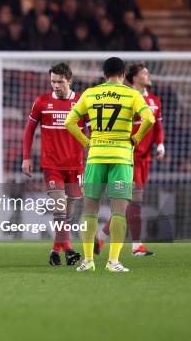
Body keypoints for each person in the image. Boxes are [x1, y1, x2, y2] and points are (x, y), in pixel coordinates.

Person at [64, 57, 155, 273]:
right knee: (119, 212)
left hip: (96, 156)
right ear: (124, 75)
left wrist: (87, 142)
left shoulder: (90, 93)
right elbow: (149, 119)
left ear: (104, 75)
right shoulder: (132, 94)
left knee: (89, 211)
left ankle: (87, 261)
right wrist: (137, 138)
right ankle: (113, 261)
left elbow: (69, 122)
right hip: (121, 157)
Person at [97, 63, 165, 256]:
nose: (148, 75)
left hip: (145, 159)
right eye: (144, 73)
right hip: (129, 156)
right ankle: (135, 246)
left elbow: (158, 127)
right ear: (134, 78)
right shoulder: (125, 98)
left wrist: (160, 144)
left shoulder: (154, 101)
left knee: (129, 203)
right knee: (133, 202)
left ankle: (101, 239)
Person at [22, 63, 83, 266]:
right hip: (52, 165)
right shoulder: (42, 102)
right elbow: (29, 130)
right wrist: (26, 157)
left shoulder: (82, 102)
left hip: (76, 165)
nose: (55, 85)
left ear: (70, 81)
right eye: (53, 81)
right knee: (59, 207)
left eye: (60, 81)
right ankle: (69, 249)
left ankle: (55, 251)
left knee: (69, 211)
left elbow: (91, 132)